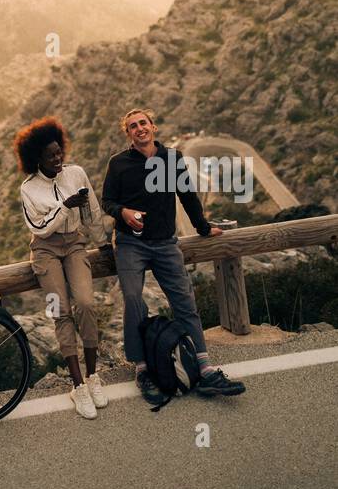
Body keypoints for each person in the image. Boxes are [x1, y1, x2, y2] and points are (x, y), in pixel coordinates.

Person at [101, 107, 245, 405]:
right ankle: (142, 369)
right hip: (130, 243)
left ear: (153, 127)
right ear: (127, 134)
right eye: (132, 126)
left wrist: (204, 228)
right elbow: (107, 201)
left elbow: (187, 195)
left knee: (185, 301)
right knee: (132, 300)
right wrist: (123, 212)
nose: (139, 128)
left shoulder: (172, 158)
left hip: (166, 243)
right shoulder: (119, 164)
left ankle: (204, 368)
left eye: (143, 123)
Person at [15, 115, 113, 419]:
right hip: (45, 250)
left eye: (60, 152)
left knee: (85, 303)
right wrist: (65, 207)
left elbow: (92, 212)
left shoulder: (76, 174)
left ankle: (93, 376)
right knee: (61, 312)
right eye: (50, 156)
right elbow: (39, 227)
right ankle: (78, 385)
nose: (58, 159)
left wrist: (104, 243)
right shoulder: (28, 189)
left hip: (74, 244)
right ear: (36, 159)